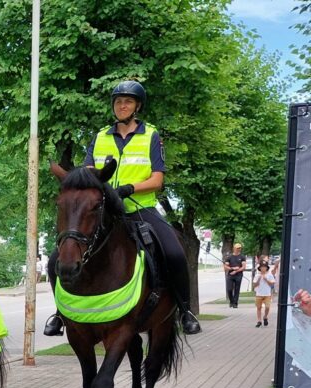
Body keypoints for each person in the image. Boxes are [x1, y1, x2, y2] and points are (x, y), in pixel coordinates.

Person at [44, 80, 202, 336]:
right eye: (118, 102)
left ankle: (185, 311)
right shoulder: (100, 136)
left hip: (140, 208)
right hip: (103, 211)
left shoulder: (150, 135)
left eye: (127, 101)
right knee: (57, 258)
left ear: (137, 106)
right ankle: (61, 314)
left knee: (173, 251)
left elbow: (157, 180)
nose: (122, 105)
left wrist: (129, 188)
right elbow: (87, 170)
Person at [253, 261, 275, 327]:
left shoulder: (270, 275)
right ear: (260, 268)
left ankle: (265, 317)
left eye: (265, 267)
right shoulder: (257, 275)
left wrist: (266, 280)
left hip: (267, 294)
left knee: (267, 307)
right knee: (259, 307)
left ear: (267, 268)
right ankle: (259, 320)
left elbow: (272, 284)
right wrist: (259, 280)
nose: (263, 268)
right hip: (259, 293)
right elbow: (254, 285)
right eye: (262, 267)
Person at [224, 243, 245, 309]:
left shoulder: (242, 257)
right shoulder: (229, 257)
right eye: (237, 248)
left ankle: (235, 303)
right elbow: (225, 266)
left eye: (239, 248)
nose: (239, 249)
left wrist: (236, 271)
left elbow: (243, 267)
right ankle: (231, 301)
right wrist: (232, 268)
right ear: (234, 248)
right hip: (230, 275)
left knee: (237, 289)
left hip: (238, 275)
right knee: (229, 289)